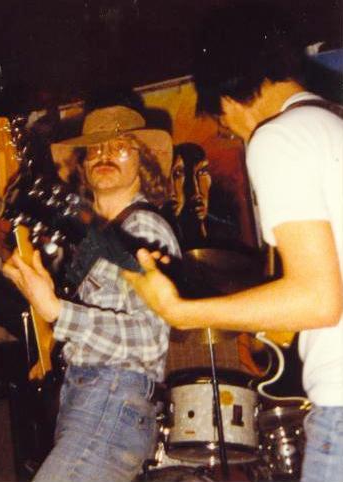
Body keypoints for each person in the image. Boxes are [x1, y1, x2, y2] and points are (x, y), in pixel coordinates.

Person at [124, 4, 343, 482]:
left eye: (223, 123)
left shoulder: (279, 138)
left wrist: (184, 312)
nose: (233, 133)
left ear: (226, 96)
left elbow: (319, 299)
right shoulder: (332, 124)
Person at [3, 102, 181, 482]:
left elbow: (150, 340)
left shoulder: (144, 229)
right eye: (95, 148)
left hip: (112, 398)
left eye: (120, 147)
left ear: (143, 161)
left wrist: (58, 312)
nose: (104, 154)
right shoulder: (95, 240)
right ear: (82, 165)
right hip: (91, 399)